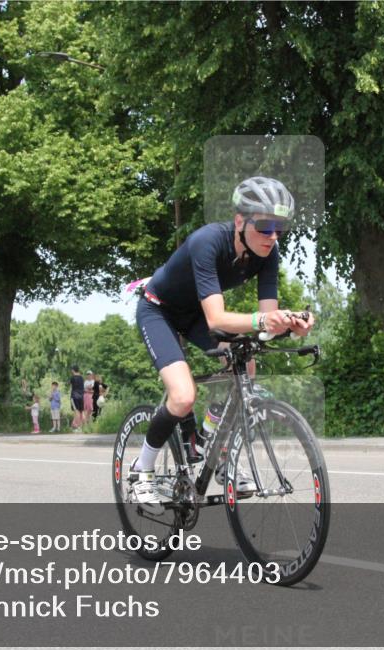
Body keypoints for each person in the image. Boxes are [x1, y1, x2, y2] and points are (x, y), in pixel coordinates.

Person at [130, 176, 314, 514]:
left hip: (195, 315)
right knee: (183, 396)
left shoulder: (267, 254)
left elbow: (265, 327)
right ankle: (141, 470)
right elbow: (217, 320)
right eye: (265, 226)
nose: (272, 237)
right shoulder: (207, 242)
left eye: (280, 229)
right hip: (160, 311)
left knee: (247, 362)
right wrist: (265, 322)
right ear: (240, 221)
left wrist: (290, 326)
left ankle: (210, 441)